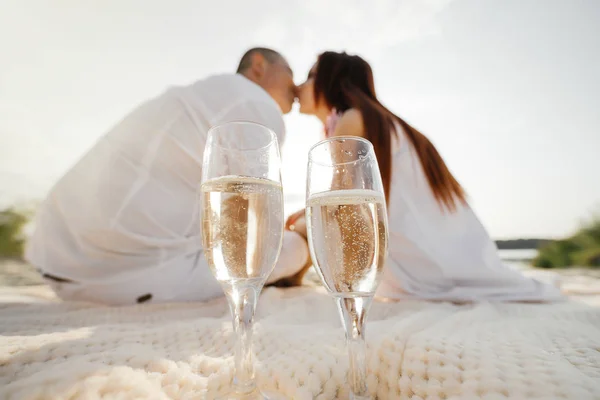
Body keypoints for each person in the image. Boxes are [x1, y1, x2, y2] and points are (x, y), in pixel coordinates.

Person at [26, 47, 310, 305]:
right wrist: (297, 234)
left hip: (60, 264)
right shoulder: (255, 102)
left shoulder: (199, 96)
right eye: (289, 73)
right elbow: (256, 235)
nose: (296, 87)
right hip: (127, 273)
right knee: (299, 243)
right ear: (259, 65)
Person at [291, 51, 562, 302]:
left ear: (331, 81)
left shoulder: (351, 120)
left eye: (311, 76)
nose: (300, 86)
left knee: (302, 229)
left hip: (418, 260)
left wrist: (302, 223)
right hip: (458, 250)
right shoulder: (387, 122)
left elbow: (341, 204)